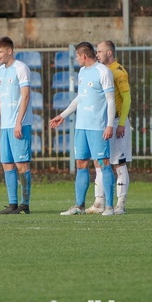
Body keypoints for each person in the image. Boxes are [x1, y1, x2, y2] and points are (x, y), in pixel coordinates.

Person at [50, 42, 116, 216]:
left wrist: (109, 125)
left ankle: (109, 206)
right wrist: (63, 115)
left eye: (77, 56)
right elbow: (81, 97)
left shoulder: (103, 72)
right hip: (81, 126)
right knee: (81, 164)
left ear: (84, 56)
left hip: (98, 127)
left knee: (104, 163)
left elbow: (110, 100)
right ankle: (79, 206)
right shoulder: (82, 72)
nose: (77, 59)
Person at [0, 36, 34, 214]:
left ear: (9, 51)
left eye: (0, 52)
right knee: (7, 163)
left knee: (21, 163)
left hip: (20, 124)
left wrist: (18, 122)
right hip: (5, 125)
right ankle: (13, 203)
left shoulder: (21, 68)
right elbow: (0, 97)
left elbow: (26, 95)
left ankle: (25, 204)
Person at [91, 40, 132, 215]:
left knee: (118, 164)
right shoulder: (101, 71)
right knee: (100, 162)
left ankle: (120, 204)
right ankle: (98, 202)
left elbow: (127, 99)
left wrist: (121, 123)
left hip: (117, 122)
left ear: (109, 53)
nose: (97, 54)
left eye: (100, 51)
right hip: (103, 122)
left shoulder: (118, 72)